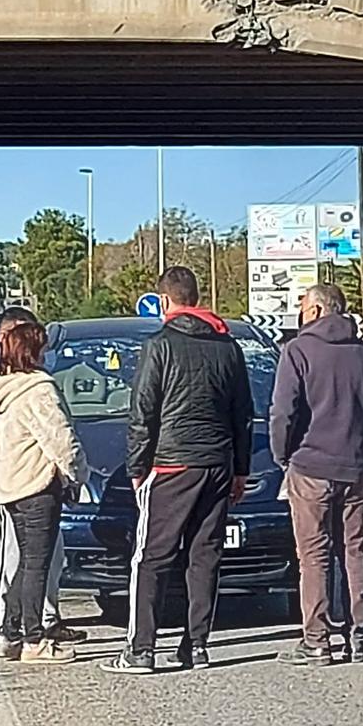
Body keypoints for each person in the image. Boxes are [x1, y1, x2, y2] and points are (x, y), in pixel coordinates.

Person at [106, 266, 254, 675]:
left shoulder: (159, 345)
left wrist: (138, 467)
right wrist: (240, 468)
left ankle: (140, 649)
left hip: (171, 463)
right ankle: (196, 645)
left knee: (150, 557)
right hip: (218, 463)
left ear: (165, 302)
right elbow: (244, 413)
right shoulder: (228, 347)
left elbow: (143, 412)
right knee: (205, 554)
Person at [269, 283, 363, 666]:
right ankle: (358, 635)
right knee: (353, 549)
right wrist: (358, 408)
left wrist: (283, 455)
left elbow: (283, 413)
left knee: (313, 555)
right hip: (356, 465)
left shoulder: (297, 351)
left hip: (311, 466)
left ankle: (317, 641)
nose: (299, 314)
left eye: (302, 306)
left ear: (315, 310)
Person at [0, 315, 85, 664]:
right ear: (34, 351)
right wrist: (77, 475)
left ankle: (8, 632)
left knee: (23, 564)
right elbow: (61, 440)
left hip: (12, 487)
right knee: (37, 563)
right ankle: (34, 639)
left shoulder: (5, 389)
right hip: (38, 485)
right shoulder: (39, 390)